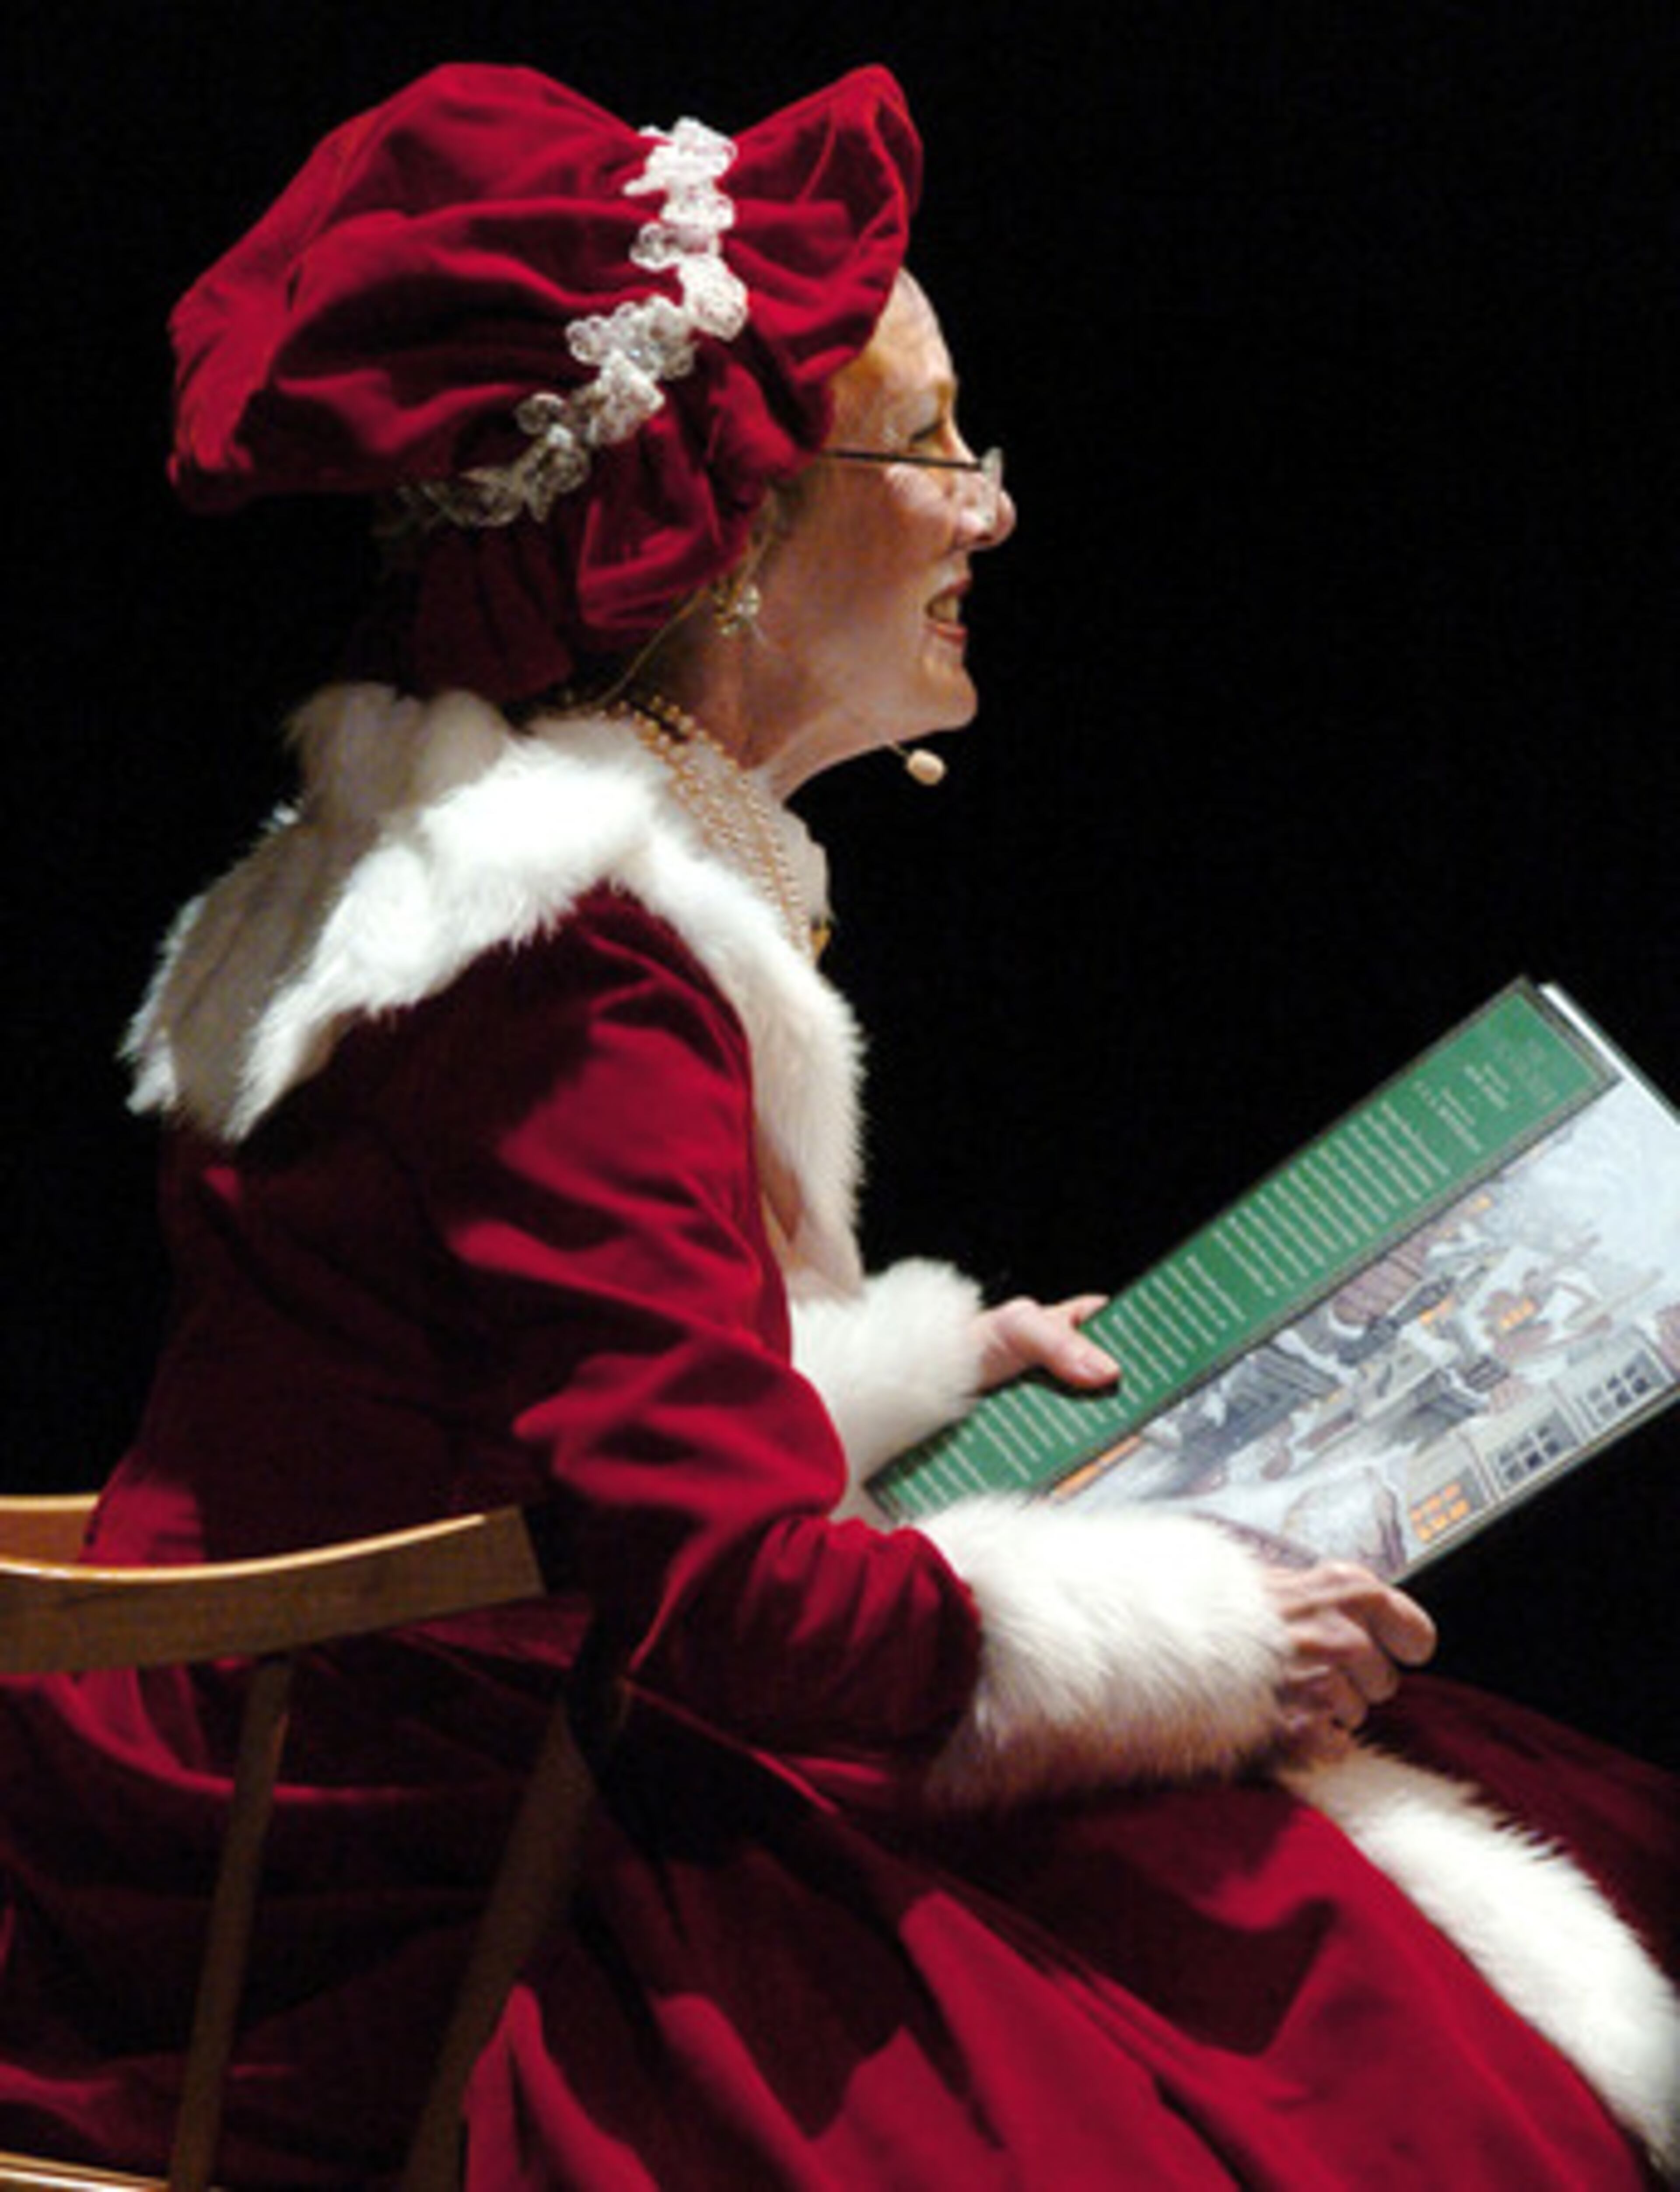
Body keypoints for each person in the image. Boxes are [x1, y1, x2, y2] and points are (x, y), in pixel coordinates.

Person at [0, 61, 1673, 2188]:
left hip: (397, 1721)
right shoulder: (555, 959)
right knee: (1324, 2036)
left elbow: (542, 1401)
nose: (988, 506)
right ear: (733, 530)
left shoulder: (524, 887)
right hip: (379, 1871)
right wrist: (1200, 1639)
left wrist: (922, 1369)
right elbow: (717, 1591)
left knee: (1446, 1839)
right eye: (933, 443)